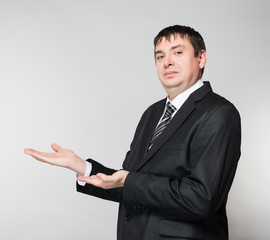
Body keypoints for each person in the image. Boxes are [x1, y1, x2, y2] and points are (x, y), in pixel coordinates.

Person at [25, 25, 241, 240]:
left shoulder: (219, 113)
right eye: (159, 56)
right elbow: (128, 183)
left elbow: (202, 198)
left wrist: (128, 181)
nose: (167, 62)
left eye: (178, 52)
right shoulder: (152, 113)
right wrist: (82, 166)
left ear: (201, 58)